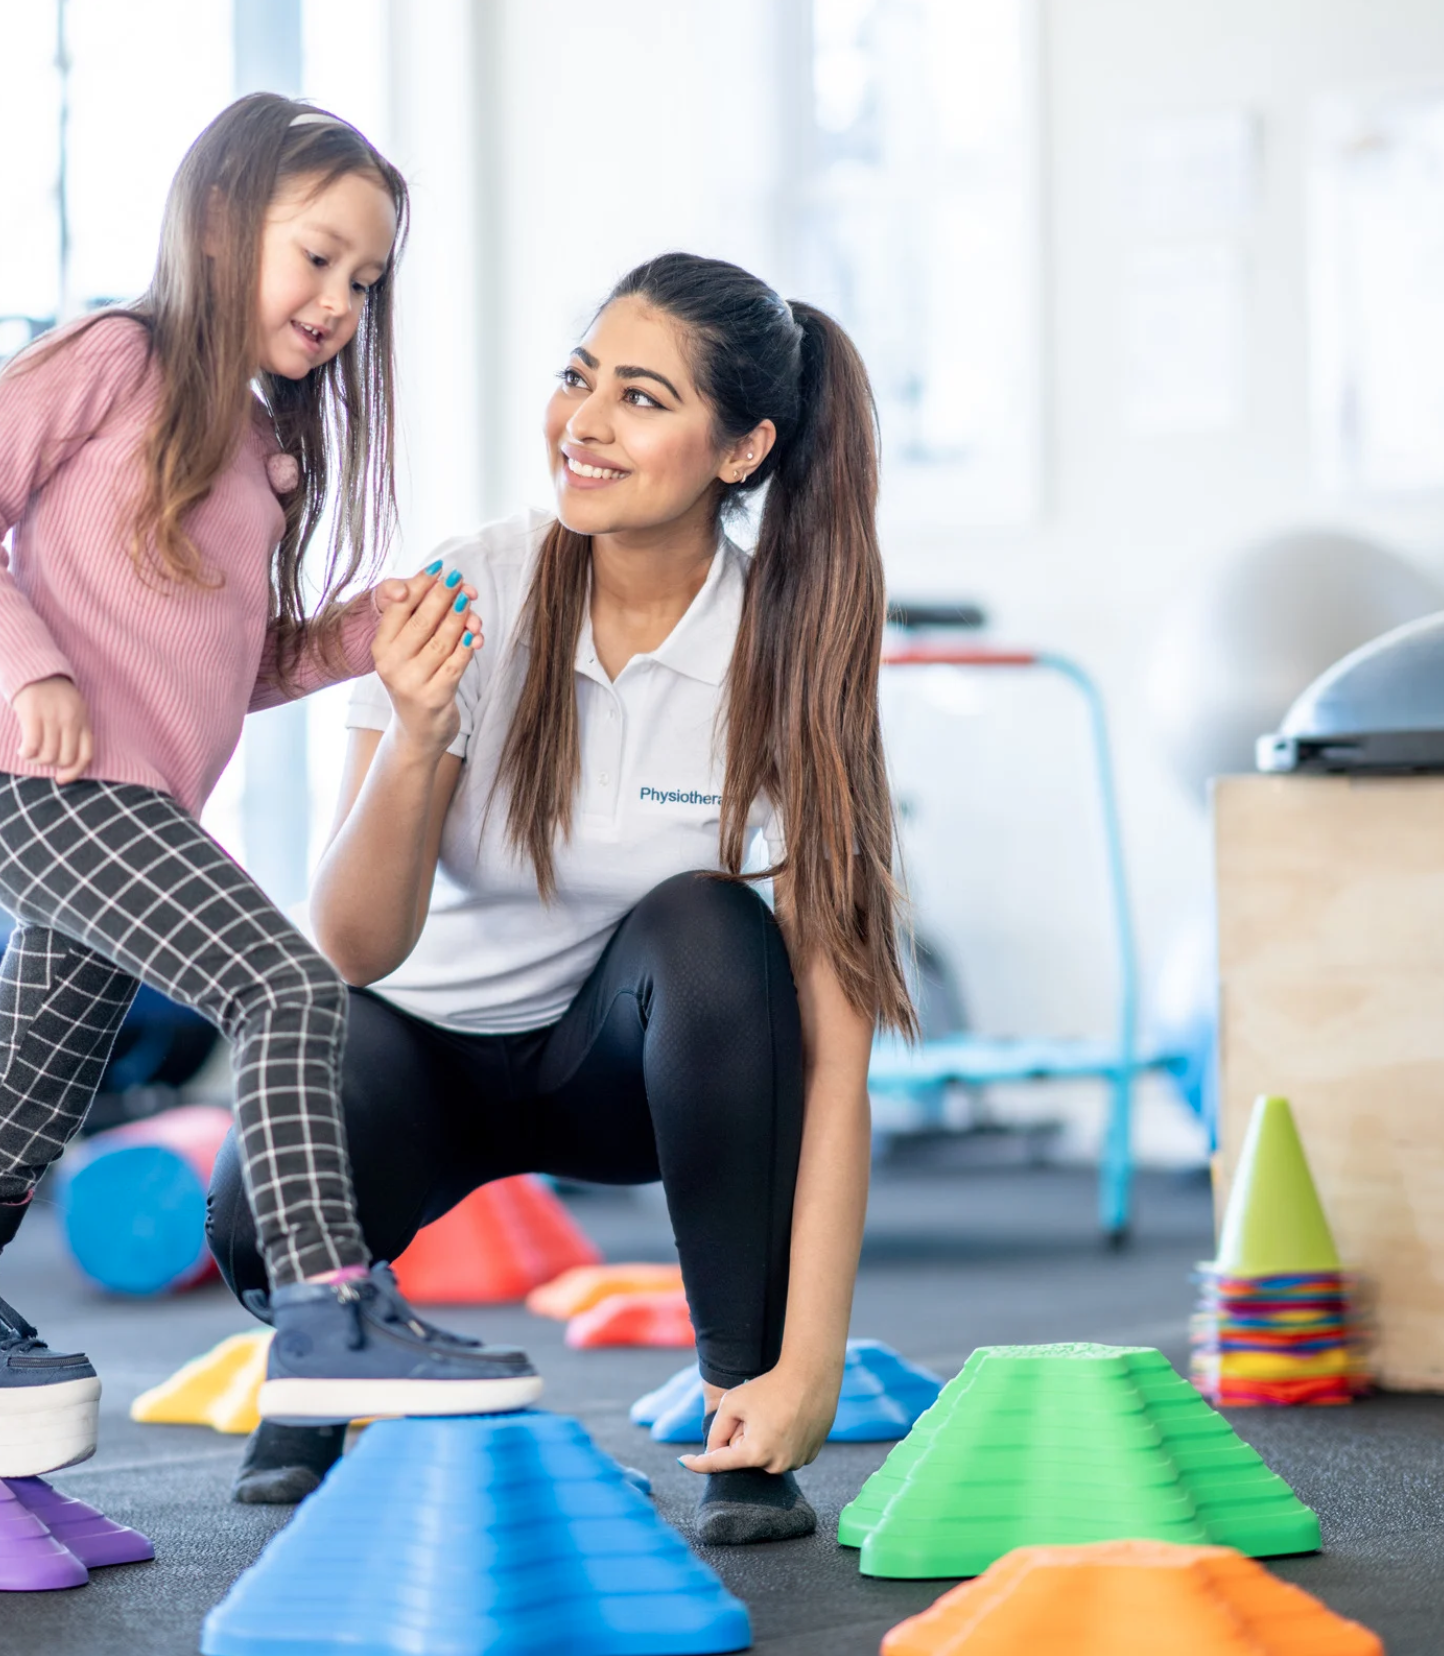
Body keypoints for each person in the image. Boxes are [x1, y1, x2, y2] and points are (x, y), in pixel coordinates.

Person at [0, 93, 538, 1482]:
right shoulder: (117, 356)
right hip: (57, 797)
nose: (338, 299)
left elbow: (230, 666)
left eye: (364, 280)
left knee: (30, 1091)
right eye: (316, 256)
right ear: (225, 227)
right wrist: (31, 668)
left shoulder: (261, 454)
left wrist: (364, 628)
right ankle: (328, 1308)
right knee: (288, 988)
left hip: (134, 813)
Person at [208, 252, 915, 1539]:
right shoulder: (470, 586)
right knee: (252, 1208)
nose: (583, 424)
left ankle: (742, 1411)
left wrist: (811, 1367)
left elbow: (837, 1055)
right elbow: (354, 947)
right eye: (578, 378)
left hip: (623, 1078)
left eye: (641, 398)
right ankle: (322, 1346)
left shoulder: (787, 653)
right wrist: (419, 735)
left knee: (714, 931)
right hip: (416, 1051)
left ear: (741, 449)